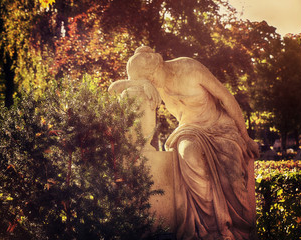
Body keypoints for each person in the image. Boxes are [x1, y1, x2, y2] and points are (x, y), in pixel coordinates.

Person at [109, 46, 259, 240]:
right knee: (188, 154)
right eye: (147, 82)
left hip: (221, 128)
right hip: (190, 131)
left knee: (231, 171)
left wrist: (246, 138)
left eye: (150, 80)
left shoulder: (189, 68)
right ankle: (212, 229)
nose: (151, 84)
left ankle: (240, 230)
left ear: (157, 67)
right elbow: (114, 89)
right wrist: (141, 83)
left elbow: (225, 96)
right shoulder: (153, 85)